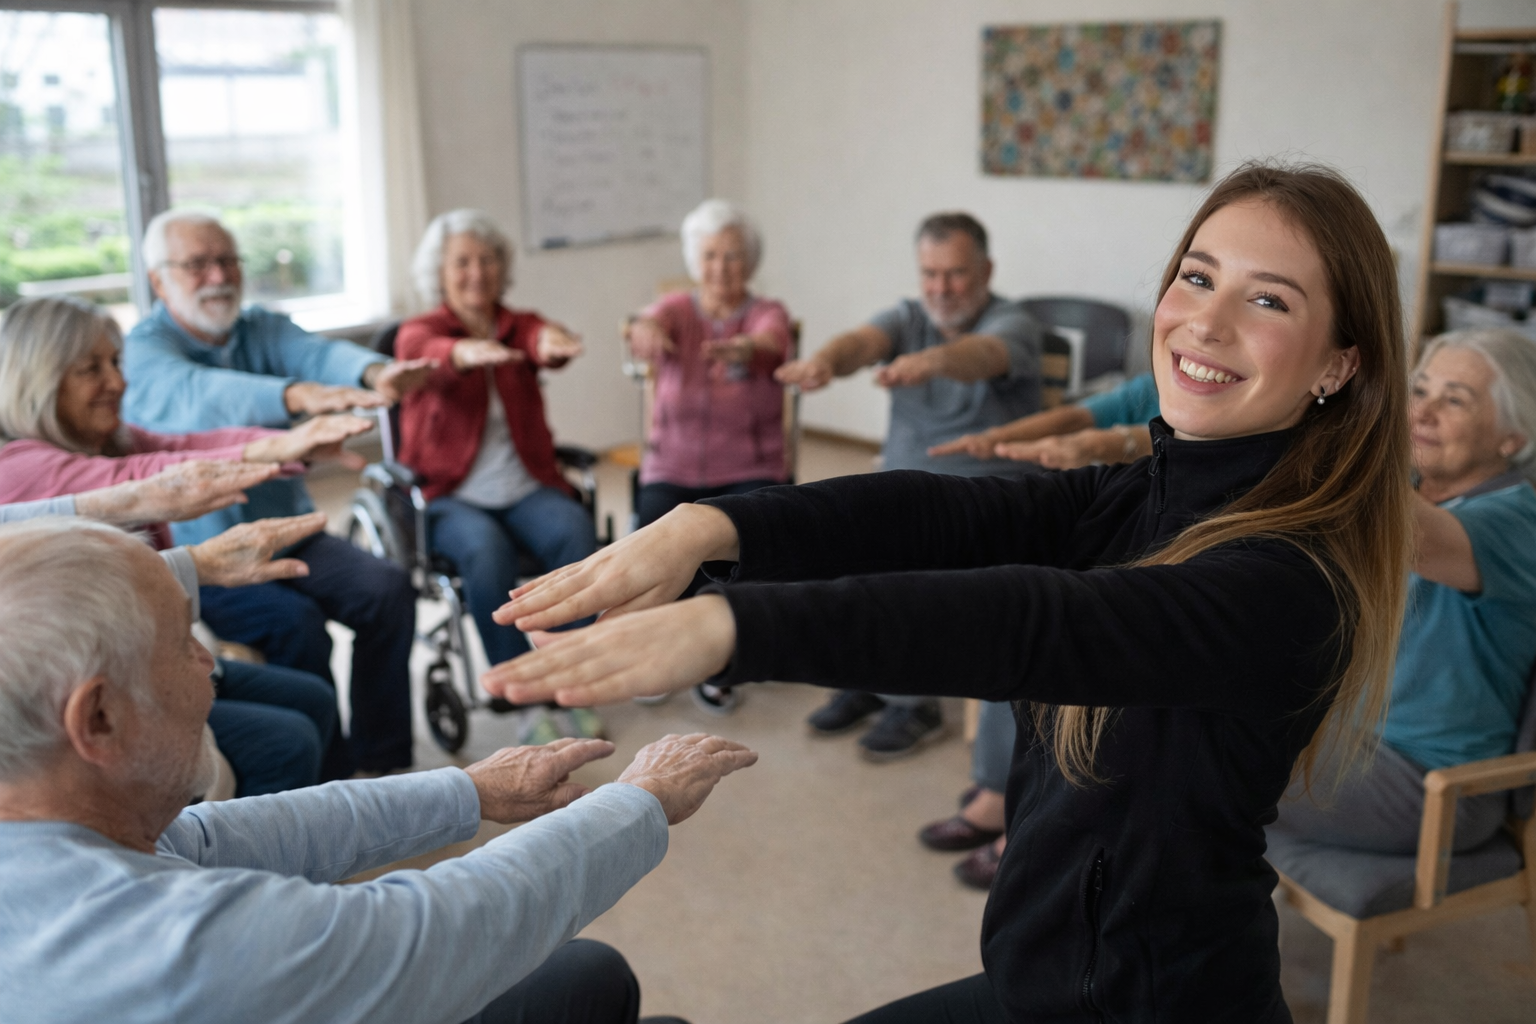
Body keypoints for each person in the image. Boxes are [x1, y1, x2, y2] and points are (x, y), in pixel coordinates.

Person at [484, 162, 1414, 1023]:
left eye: (1268, 300)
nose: (1207, 324)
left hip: (1152, 998)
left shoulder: (1293, 578)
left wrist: (734, 629)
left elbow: (1026, 622)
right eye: (1199, 277)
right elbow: (942, 515)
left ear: (1339, 364)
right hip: (1045, 975)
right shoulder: (1142, 491)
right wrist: (713, 529)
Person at [0, 518, 755, 1024]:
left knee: (589, 975)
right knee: (604, 987)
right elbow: (440, 932)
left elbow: (209, 837)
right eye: (182, 643)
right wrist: (639, 801)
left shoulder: (50, 826)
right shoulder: (163, 946)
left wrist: (470, 789)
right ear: (95, 719)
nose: (209, 667)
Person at [0, 295, 364, 792]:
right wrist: (278, 444)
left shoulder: (104, 437)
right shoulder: (19, 466)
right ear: (37, 380)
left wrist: (288, 445)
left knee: (313, 698)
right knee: (288, 739)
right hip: (96, 689)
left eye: (114, 363)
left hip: (148, 655)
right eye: (92, 368)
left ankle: (335, 817)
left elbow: (182, 448)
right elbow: (145, 479)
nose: (117, 382)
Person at [122, 209, 430, 773]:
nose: (218, 275)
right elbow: (203, 396)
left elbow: (318, 354)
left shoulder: (259, 325)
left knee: (387, 589)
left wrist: (371, 372)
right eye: (197, 264)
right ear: (159, 280)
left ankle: (383, 761)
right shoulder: (142, 352)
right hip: (205, 555)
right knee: (296, 626)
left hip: (288, 533)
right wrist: (297, 398)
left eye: (227, 260)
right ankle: (328, 778)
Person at [774, 212, 1047, 758]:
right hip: (901, 488)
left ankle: (913, 703)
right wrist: (826, 360)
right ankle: (872, 679)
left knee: (912, 564)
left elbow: (983, 356)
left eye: (955, 274)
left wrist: (932, 362)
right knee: (832, 539)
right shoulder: (906, 316)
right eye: (930, 273)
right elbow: (862, 341)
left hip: (984, 499)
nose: (939, 289)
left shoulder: (1013, 322)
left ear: (986, 270)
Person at [1269, 327, 1536, 854]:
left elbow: (1407, 532)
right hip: (1350, 736)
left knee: (1201, 760)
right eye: (1420, 390)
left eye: (1455, 400)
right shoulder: (1415, 486)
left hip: (1428, 782)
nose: (1425, 411)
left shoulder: (1517, 520)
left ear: (1514, 439)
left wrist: (1302, 392)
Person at [920, 371, 1162, 887]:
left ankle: (1030, 828)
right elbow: (1080, 414)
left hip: (1169, 564)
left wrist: (1108, 442)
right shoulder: (1157, 380)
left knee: (1065, 659)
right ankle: (995, 793)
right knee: (1012, 640)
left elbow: (1187, 442)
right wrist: (1009, 436)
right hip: (1123, 531)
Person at [395, 209, 600, 741]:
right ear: (439, 272)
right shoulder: (420, 330)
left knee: (576, 529)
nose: (476, 272)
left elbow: (537, 338)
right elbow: (422, 353)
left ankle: (565, 670)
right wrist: (462, 352)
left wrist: (551, 343)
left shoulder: (517, 324)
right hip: (452, 495)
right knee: (487, 551)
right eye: (462, 261)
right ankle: (521, 690)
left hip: (524, 484)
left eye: (487, 260)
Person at [622, 198, 794, 714]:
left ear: (751, 262)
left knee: (739, 538)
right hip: (672, 462)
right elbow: (643, 325)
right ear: (696, 261)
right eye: (712, 256)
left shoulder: (767, 312)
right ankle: (656, 648)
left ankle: (717, 654)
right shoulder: (677, 308)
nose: (721, 268)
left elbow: (773, 341)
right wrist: (645, 331)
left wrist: (747, 349)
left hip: (749, 464)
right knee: (651, 540)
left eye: (733, 256)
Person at [931, 370, 1160, 469]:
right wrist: (993, 439)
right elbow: (1074, 418)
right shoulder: (1152, 384)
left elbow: (1183, 442)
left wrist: (1095, 445)